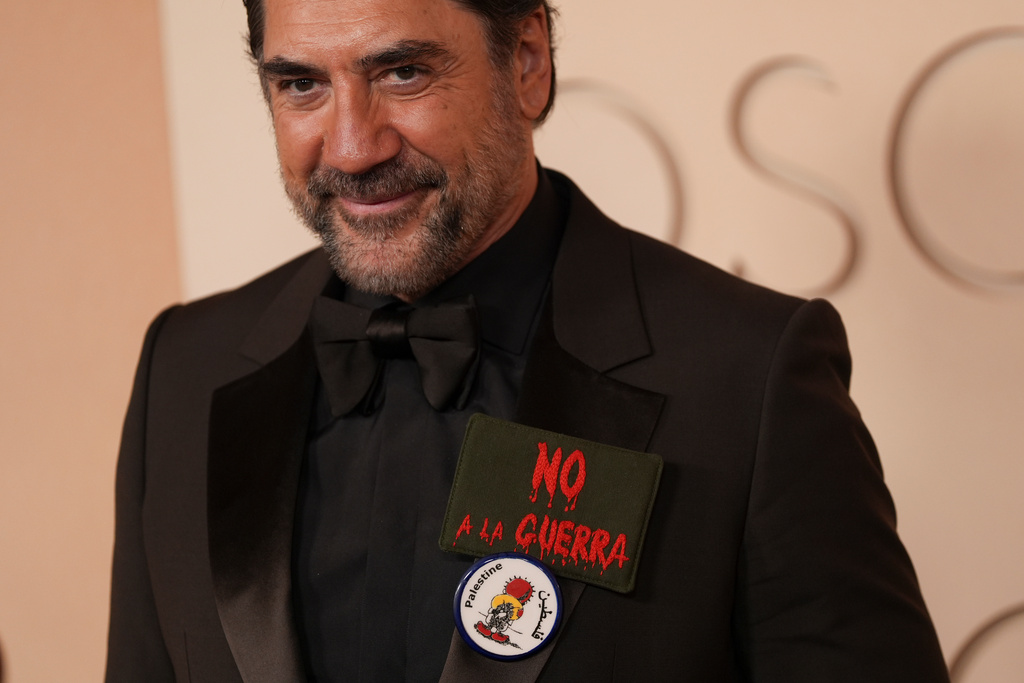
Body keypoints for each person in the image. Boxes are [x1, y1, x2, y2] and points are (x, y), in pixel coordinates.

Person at [105, 0, 950, 681]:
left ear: (528, 63)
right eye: (300, 86)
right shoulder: (185, 367)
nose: (354, 146)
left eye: (402, 73)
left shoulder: (748, 373)